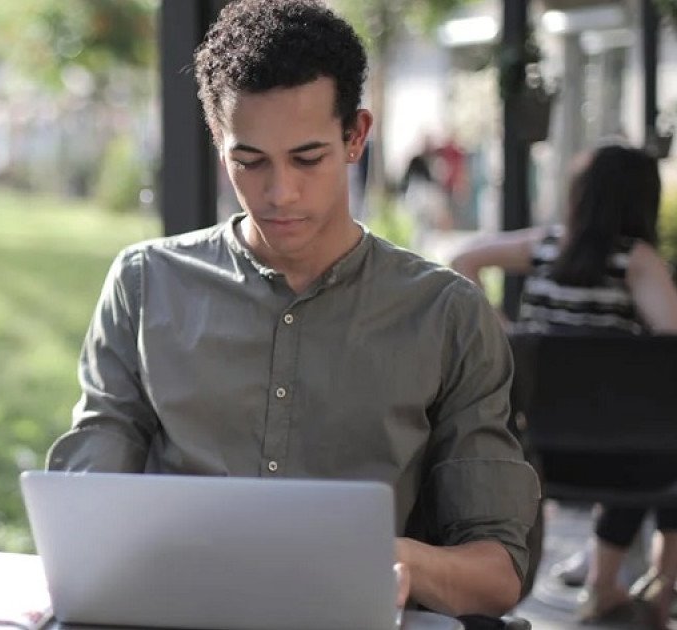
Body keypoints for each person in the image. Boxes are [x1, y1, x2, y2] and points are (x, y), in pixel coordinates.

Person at [45, 0, 540, 620]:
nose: (279, 194)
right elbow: (84, 516)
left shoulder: (445, 314)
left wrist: (389, 560)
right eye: (248, 162)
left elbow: (496, 575)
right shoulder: (145, 286)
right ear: (218, 141)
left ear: (356, 135)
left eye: (308, 158)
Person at [450, 143, 677, 628]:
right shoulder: (636, 260)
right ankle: (637, 584)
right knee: (668, 442)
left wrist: (503, 332)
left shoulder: (546, 246)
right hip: (626, 460)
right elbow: (670, 345)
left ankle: (614, 583)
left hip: (536, 449)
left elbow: (463, 260)